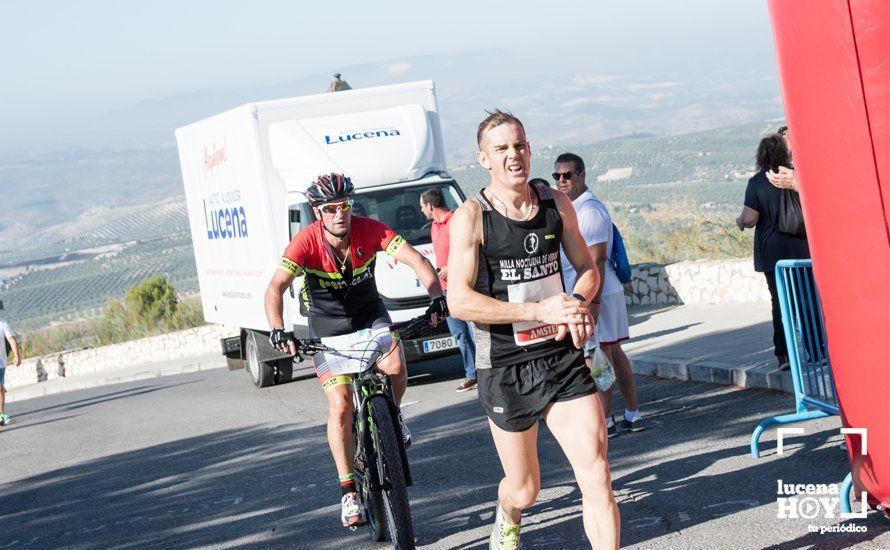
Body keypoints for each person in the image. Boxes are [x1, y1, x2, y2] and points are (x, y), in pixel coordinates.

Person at [447, 110, 620, 549]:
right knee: (525, 489)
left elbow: (587, 267)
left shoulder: (554, 204)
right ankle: (507, 514)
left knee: (597, 472)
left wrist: (577, 303)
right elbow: (459, 300)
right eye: (502, 148)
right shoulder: (473, 216)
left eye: (519, 145)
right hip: (505, 366)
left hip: (560, 357)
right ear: (483, 158)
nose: (513, 155)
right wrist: (537, 311)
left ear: (530, 148)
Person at [264, 173, 445, 529]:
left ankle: (392, 417)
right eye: (330, 209)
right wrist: (277, 328)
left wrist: (437, 297)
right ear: (318, 213)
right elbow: (275, 288)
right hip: (327, 328)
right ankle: (348, 489)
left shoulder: (370, 229)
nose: (339, 214)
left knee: (395, 363)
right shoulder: (304, 243)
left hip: (369, 315)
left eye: (344, 205)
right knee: (341, 404)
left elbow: (417, 261)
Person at [553, 152, 645, 438]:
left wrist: (593, 303)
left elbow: (597, 261)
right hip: (603, 292)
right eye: (557, 176)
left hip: (599, 292)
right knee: (613, 354)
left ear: (581, 175)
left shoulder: (588, 211)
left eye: (568, 175)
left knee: (599, 356)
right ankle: (632, 413)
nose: (561, 181)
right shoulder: (576, 207)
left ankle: (605, 421)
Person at [737, 134, 810, 368]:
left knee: (780, 303)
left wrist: (740, 221)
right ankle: (816, 349)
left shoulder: (757, 182)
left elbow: (750, 218)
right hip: (800, 247)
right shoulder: (794, 177)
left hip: (773, 254)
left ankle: (784, 354)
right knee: (806, 300)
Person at [420, 188, 477, 392]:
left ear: (430, 206)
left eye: (422, 206)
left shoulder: (455, 221)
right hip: (445, 290)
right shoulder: (434, 226)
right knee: (459, 333)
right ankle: (472, 374)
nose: (421, 210)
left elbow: (469, 249)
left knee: (474, 330)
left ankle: (485, 371)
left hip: (463, 285)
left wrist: (450, 268)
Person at [0, 318, 22, 426]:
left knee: (0, 388)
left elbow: (11, 339)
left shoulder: (2, 322)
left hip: (0, 362)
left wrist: (17, 356)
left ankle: (1, 414)